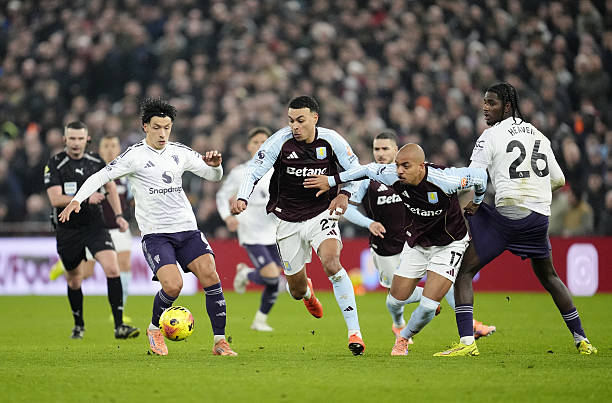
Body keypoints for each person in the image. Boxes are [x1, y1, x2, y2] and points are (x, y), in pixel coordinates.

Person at [58, 98, 237, 357]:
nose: (163, 133)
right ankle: (154, 329)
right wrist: (77, 199)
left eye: (167, 127)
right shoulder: (134, 156)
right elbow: (100, 176)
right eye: (157, 127)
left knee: (211, 276)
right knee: (173, 286)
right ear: (145, 127)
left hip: (187, 229)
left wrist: (217, 165)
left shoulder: (180, 152)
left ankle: (220, 341)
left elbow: (213, 176)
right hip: (156, 235)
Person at [434, 82, 597, 356]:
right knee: (549, 277)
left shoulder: (490, 136)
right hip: (538, 218)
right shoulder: (537, 134)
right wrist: (534, 192)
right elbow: (558, 179)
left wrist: (445, 186)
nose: (485, 108)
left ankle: (466, 343)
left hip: (509, 215)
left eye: (492, 103)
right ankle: (582, 340)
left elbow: (474, 179)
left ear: (507, 106)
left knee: (464, 271)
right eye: (484, 102)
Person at [304, 143, 488, 356]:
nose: (399, 170)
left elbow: (479, 177)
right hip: (417, 243)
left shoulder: (447, 179)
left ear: (421, 166)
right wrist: (331, 181)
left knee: (428, 306)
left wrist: (477, 201)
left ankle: (403, 338)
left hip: (449, 244)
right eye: (398, 165)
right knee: (395, 299)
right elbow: (364, 170)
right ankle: (400, 323)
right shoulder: (391, 174)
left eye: (406, 166)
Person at [230, 95, 366, 355]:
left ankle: (354, 333)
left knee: (331, 263)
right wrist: (243, 197)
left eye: (300, 120)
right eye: (291, 120)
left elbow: (356, 171)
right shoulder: (279, 142)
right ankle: (308, 294)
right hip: (287, 219)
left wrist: (343, 194)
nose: (295, 126)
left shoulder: (332, 140)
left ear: (315, 118)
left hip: (321, 213)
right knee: (295, 289)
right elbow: (254, 170)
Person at [343, 131, 495, 342]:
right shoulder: (370, 179)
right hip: (384, 247)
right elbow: (348, 209)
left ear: (397, 151)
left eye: (385, 148)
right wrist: (369, 223)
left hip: (411, 240)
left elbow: (454, 179)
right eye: (376, 149)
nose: (380, 153)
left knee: (443, 284)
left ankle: (468, 323)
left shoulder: (411, 174)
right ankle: (399, 324)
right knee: (394, 300)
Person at [44, 121, 139, 340]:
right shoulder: (55, 164)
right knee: (75, 280)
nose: (76, 143)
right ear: (64, 140)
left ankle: (119, 326)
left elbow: (111, 188)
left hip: (96, 227)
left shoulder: (96, 161)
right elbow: (55, 198)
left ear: (87, 140)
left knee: (113, 269)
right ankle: (78, 324)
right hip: (69, 229)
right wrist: (85, 198)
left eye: (80, 138)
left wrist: (118, 216)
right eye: (72, 138)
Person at [216, 126, 282, 332]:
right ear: (248, 146)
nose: (260, 146)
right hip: (251, 231)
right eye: (256, 142)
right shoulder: (240, 172)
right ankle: (245, 274)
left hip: (274, 231)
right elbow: (221, 196)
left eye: (265, 142)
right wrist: (227, 217)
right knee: (272, 276)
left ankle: (260, 320)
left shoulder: (278, 172)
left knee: (274, 281)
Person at [98, 134, 135, 321]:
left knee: (125, 266)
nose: (110, 149)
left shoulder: (126, 174)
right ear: (99, 149)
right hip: (97, 230)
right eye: (106, 145)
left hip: (119, 228)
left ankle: (119, 310)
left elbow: (131, 200)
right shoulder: (94, 172)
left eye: (114, 145)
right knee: (84, 272)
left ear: (119, 148)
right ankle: (64, 263)